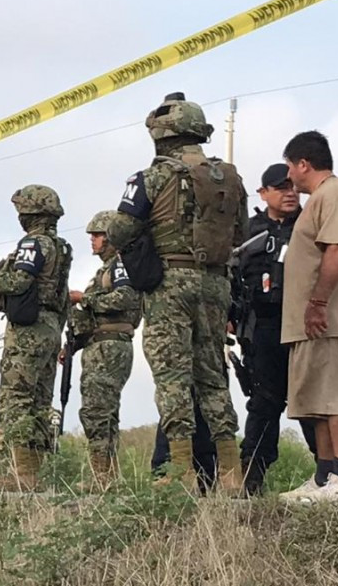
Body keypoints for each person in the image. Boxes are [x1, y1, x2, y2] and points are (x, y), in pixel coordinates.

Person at [108, 92, 248, 493]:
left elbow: (119, 231)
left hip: (170, 283)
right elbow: (240, 232)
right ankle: (230, 472)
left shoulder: (151, 177)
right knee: (212, 377)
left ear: (161, 134)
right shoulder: (228, 178)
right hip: (216, 283)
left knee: (172, 376)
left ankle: (181, 470)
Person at [277, 131, 338, 504]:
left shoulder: (336, 194)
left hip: (329, 318)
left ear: (303, 164)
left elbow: (337, 250)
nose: (289, 177)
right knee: (316, 401)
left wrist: (318, 303)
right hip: (310, 324)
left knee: (333, 398)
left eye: (289, 167)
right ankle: (324, 478)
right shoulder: (320, 199)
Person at [0, 185, 72, 491]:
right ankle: (36, 473)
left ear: (29, 213)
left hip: (29, 330)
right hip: (51, 327)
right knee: (40, 401)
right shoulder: (62, 247)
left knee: (15, 398)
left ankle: (19, 472)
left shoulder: (33, 243)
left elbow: (19, 282)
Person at [232, 164, 318, 495]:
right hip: (262, 327)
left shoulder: (310, 225)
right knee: (264, 403)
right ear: (263, 193)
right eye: (280, 188)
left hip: (303, 326)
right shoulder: (247, 230)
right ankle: (251, 478)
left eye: (292, 186)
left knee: (311, 403)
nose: (289, 192)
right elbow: (230, 276)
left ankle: (329, 476)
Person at [67, 211, 140, 486]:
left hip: (109, 345)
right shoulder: (107, 269)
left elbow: (125, 297)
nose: (93, 240)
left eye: (97, 235)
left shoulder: (119, 266)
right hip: (99, 344)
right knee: (102, 410)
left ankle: (102, 475)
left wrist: (84, 299)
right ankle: (106, 474)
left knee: (98, 410)